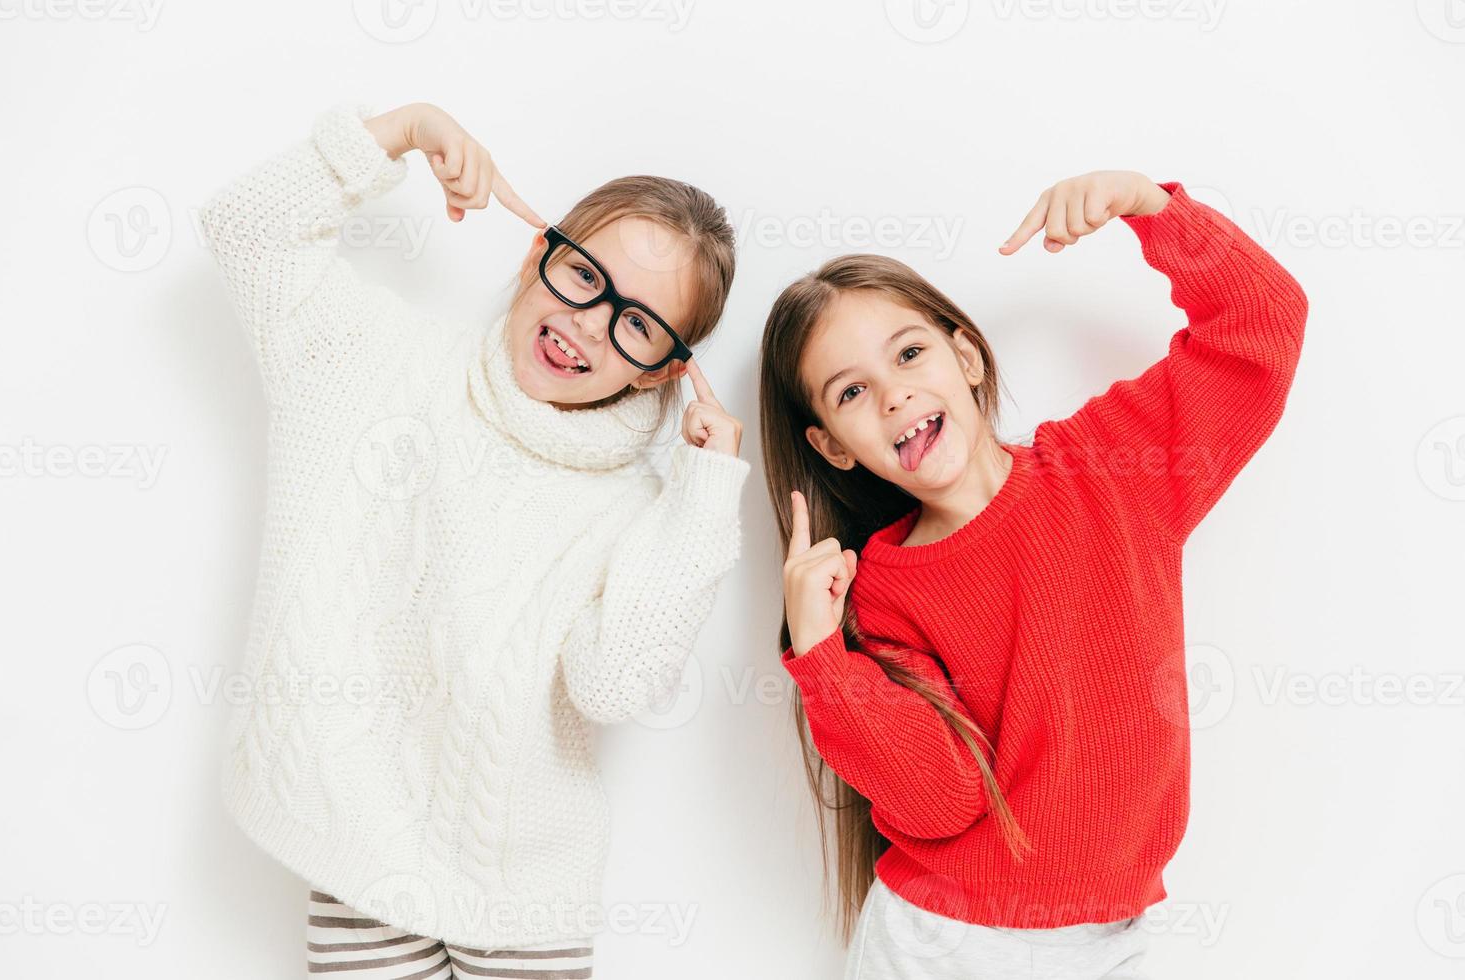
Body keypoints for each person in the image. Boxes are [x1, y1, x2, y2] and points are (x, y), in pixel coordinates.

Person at [198, 99, 750, 977]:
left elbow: (614, 685)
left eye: (638, 323)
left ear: (667, 367)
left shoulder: (634, 503)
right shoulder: (375, 360)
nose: (589, 324)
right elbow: (245, 231)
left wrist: (706, 494)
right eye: (584, 277)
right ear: (539, 254)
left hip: (527, 892)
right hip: (360, 853)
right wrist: (402, 131)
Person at [762, 172, 1308, 978]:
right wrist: (821, 658)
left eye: (909, 352)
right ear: (836, 447)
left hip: (1109, 936)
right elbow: (942, 800)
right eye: (852, 392)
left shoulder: (1111, 466)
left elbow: (1261, 327)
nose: (893, 394)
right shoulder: (879, 591)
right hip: (945, 944)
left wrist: (1151, 209)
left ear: (968, 356)